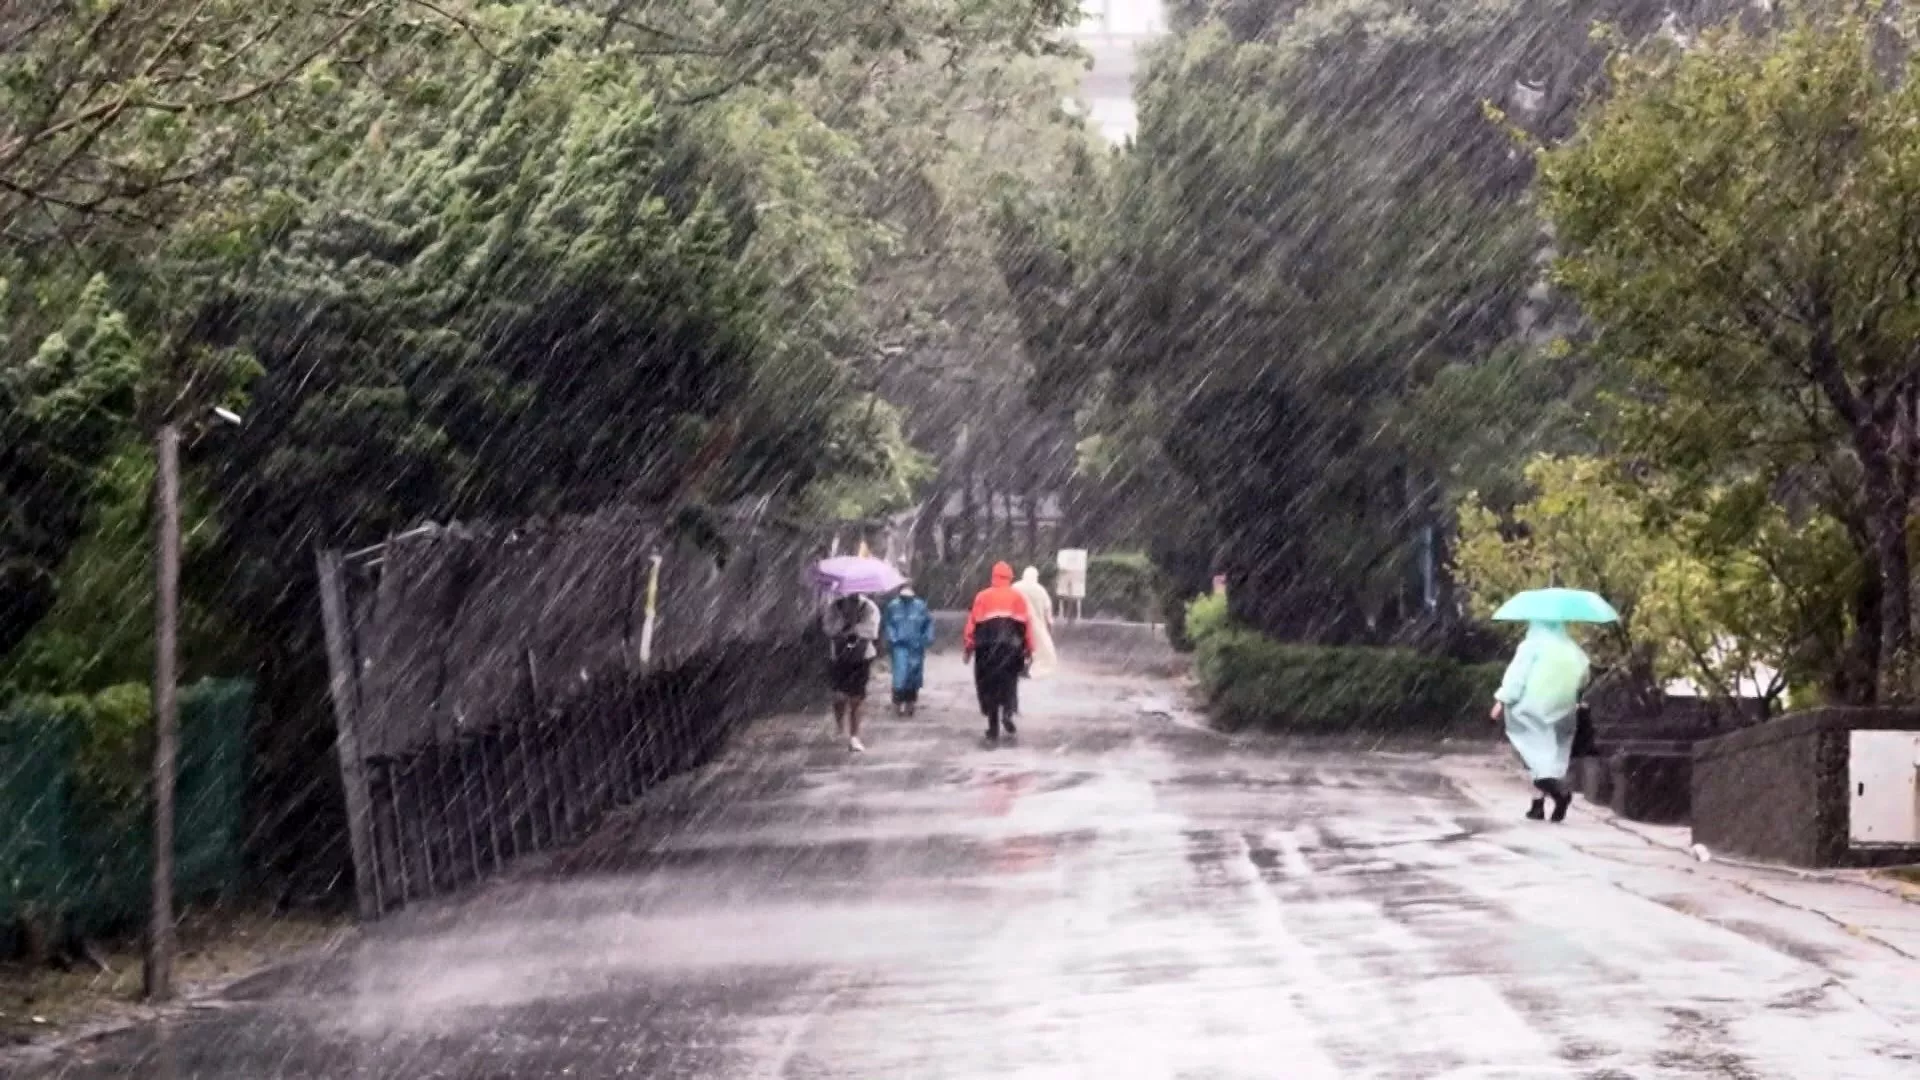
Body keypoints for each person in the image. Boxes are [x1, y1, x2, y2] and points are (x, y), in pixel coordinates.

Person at [1492, 620, 1591, 822]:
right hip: (1562, 707)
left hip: (1533, 708)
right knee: (1549, 757)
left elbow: (1516, 678)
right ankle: (1538, 805)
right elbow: (1584, 676)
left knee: (1532, 757)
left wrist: (1502, 700)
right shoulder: (1570, 648)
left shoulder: (1530, 646)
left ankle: (1558, 794)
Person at [963, 562, 1034, 742]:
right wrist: (1028, 649)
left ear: (993, 577)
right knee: (1009, 683)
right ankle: (1008, 713)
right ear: (1010, 577)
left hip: (986, 648)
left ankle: (992, 726)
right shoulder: (1017, 597)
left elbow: (972, 624)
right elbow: (1026, 625)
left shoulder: (982, 597)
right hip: (1011, 648)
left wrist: (968, 647)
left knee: (988, 686)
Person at [822, 591, 881, 752]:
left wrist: (855, 630)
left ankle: (854, 736)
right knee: (839, 696)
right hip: (839, 657)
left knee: (857, 698)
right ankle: (839, 724)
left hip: (862, 657)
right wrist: (842, 626)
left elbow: (873, 631)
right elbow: (828, 628)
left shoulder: (869, 608)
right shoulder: (834, 607)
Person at [883, 584, 935, 716]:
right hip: (899, 647)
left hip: (916, 647)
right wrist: (893, 638)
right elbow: (888, 624)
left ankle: (910, 704)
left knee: (914, 677)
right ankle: (897, 704)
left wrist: (926, 638)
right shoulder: (893, 606)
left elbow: (928, 623)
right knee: (899, 677)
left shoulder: (920, 606)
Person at [1012, 566, 1058, 679]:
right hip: (1036, 626)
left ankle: (1017, 666)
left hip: (1017, 622)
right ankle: (1029, 668)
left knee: (1018, 645)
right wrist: (1050, 627)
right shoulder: (1041, 590)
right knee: (1036, 649)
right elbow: (1048, 611)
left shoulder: (1015, 587)